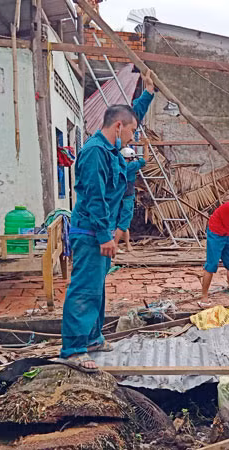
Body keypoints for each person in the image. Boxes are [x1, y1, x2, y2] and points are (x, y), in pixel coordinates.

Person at [59, 70, 157, 370]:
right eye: (131, 131)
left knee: (97, 287)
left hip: (99, 231)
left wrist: (148, 94)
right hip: (90, 232)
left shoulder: (111, 146)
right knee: (85, 288)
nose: (133, 136)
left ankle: (92, 338)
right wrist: (104, 235)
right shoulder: (95, 154)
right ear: (118, 127)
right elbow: (94, 197)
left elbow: (131, 115)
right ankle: (74, 349)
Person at [117, 147, 147, 253]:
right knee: (124, 223)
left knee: (121, 223)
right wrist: (146, 145)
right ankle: (114, 246)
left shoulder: (117, 166)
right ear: (130, 157)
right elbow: (144, 161)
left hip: (117, 197)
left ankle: (128, 245)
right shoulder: (131, 166)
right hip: (127, 197)